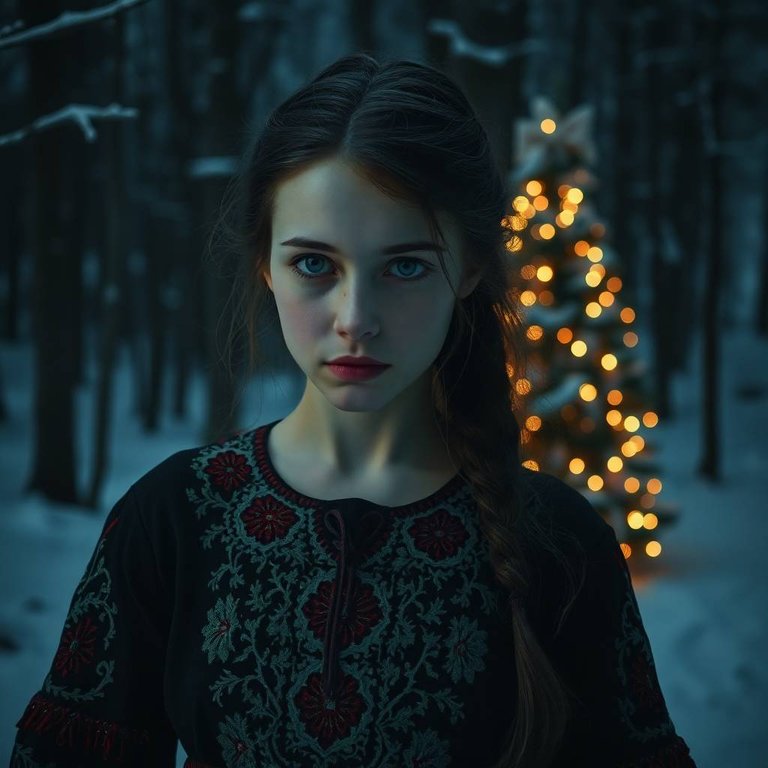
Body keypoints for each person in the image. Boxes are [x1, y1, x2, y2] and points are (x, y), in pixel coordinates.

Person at [9, 53, 696, 768]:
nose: (356, 319)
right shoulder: (175, 517)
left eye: (405, 265)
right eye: (315, 264)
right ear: (264, 265)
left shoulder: (560, 543)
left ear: (466, 269)